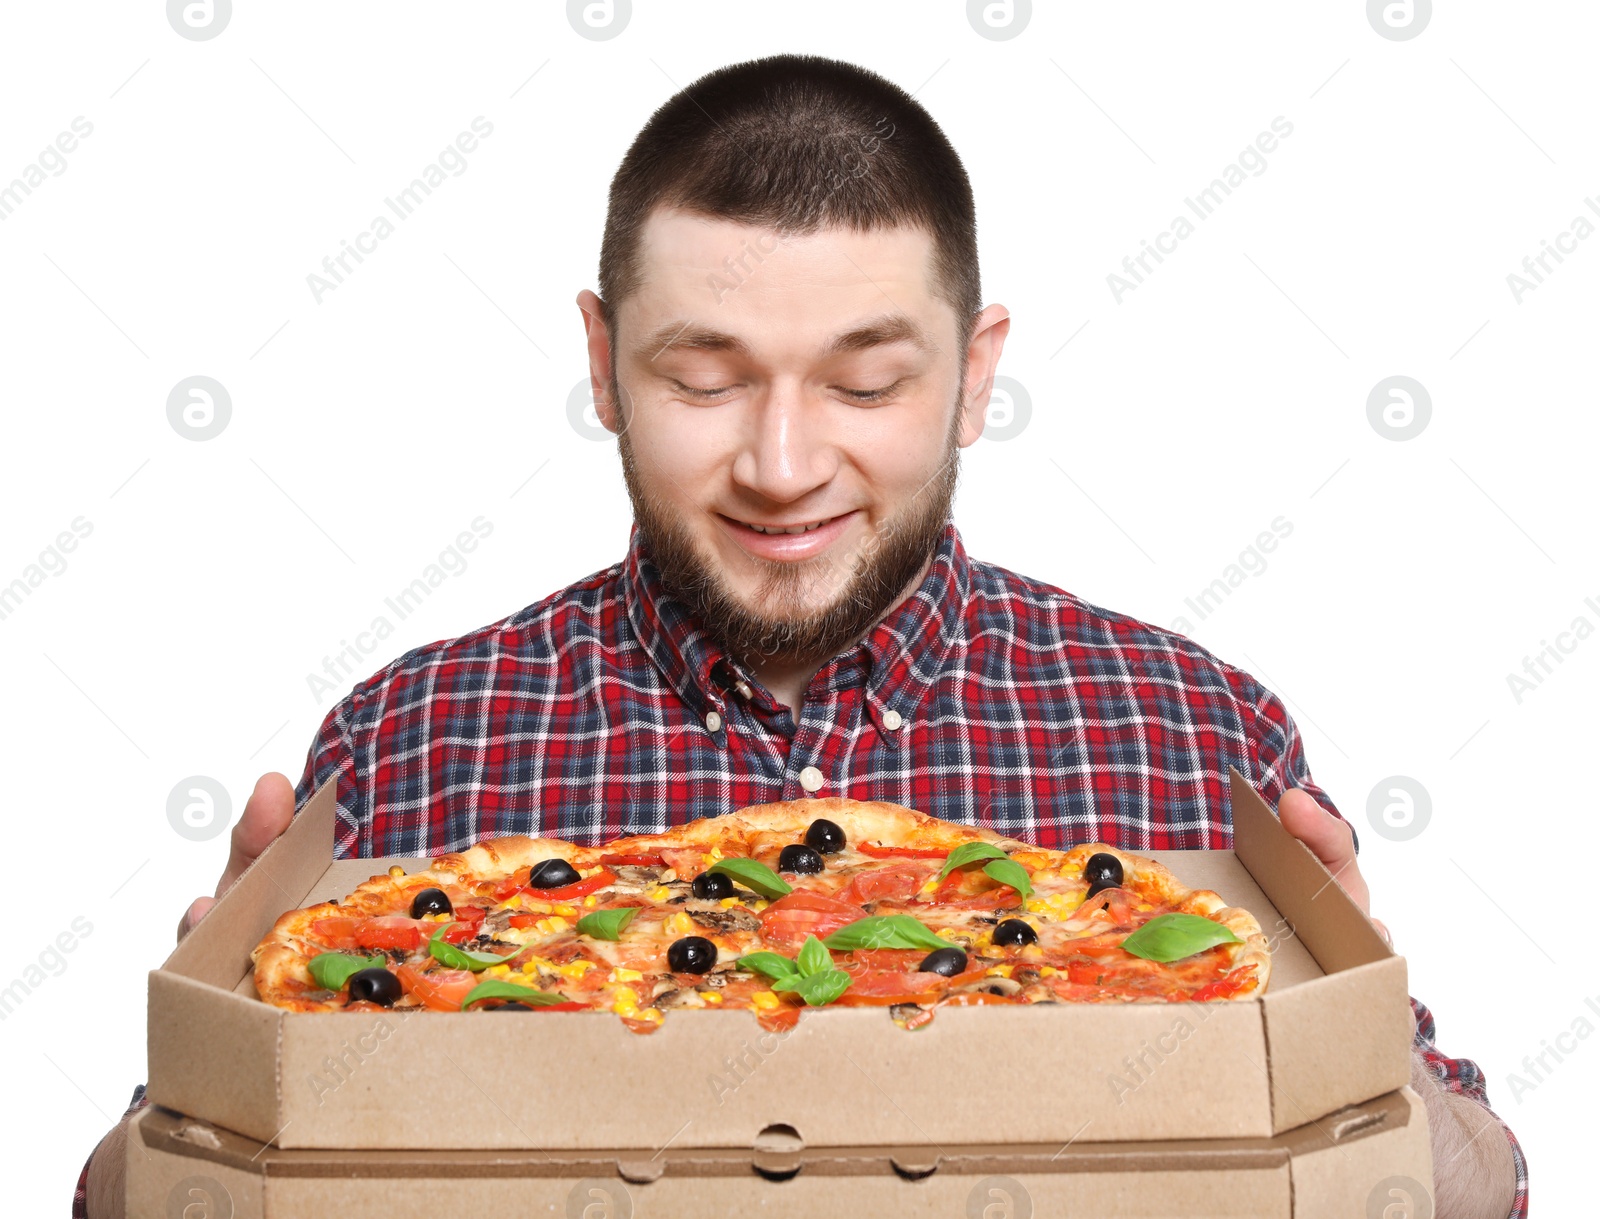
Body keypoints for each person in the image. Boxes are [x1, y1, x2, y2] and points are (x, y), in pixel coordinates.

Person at [76, 53, 1525, 1218]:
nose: (782, 461)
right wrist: (216, 1085)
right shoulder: (414, 742)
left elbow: (1471, 1190)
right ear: (601, 363)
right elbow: (133, 1195)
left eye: (866, 381)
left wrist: (1361, 1067)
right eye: (704, 378)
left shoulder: (1192, 733)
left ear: (974, 375)